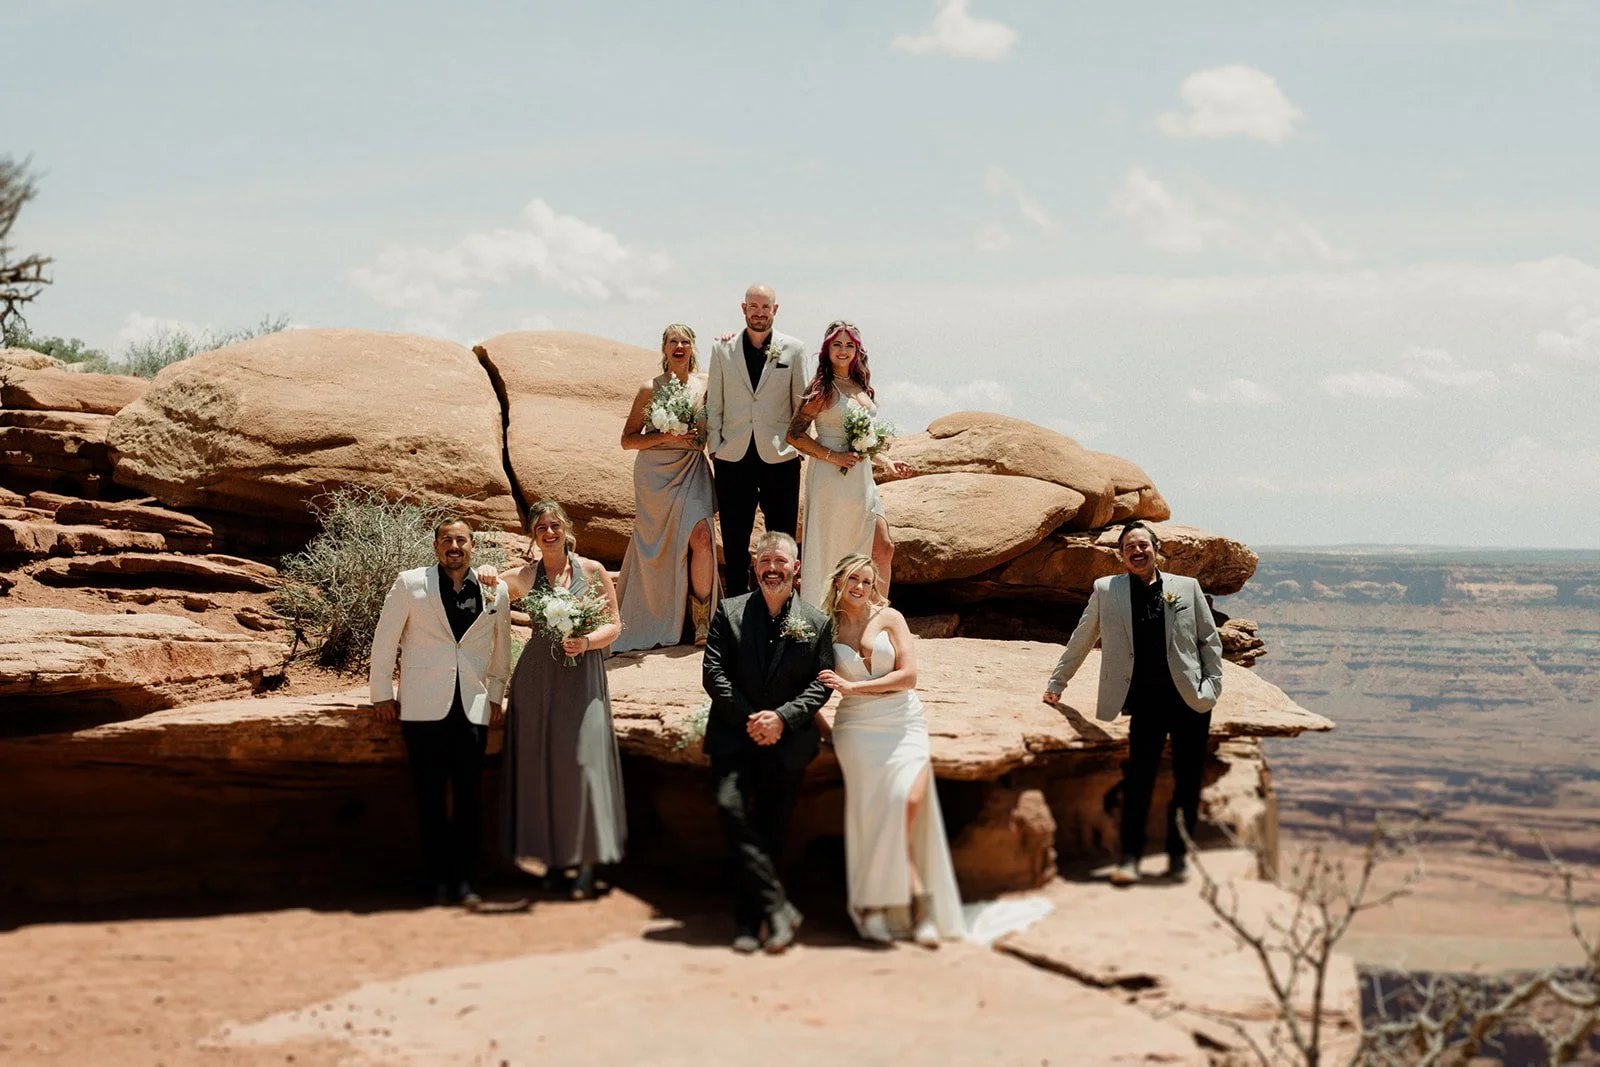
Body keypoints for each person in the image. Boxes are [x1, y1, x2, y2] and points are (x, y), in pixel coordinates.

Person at [1041, 522, 1223, 886]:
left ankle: (1177, 855)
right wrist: (1057, 682)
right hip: (1145, 702)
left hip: (1189, 700)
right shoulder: (1107, 590)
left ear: (1157, 549)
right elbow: (1082, 638)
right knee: (1140, 780)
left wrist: (1211, 686)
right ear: (1121, 555)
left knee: (1188, 783)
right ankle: (1130, 858)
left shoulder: (1186, 588)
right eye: (1129, 548)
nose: (1137, 552)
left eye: (1143, 545)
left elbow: (1209, 640)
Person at [817, 554, 963, 946]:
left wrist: (853, 689)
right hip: (856, 731)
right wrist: (826, 731)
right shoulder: (822, 628)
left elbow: (909, 676)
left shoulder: (891, 618)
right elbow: (803, 688)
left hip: (902, 722)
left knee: (906, 802)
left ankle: (887, 903)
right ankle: (904, 909)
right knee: (876, 818)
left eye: (867, 580)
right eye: (853, 579)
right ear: (838, 582)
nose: (860, 587)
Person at [701, 531, 834, 953]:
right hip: (732, 736)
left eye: (780, 561)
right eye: (764, 561)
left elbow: (822, 684)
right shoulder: (728, 611)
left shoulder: (817, 622)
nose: (771, 568)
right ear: (754, 567)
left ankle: (751, 923)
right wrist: (751, 718)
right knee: (730, 809)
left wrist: (782, 718)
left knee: (772, 831)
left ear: (795, 569)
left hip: (788, 741)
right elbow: (713, 674)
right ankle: (777, 907)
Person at [370, 517, 512, 908]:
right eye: (447, 540)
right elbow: (385, 640)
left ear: (473, 546)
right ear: (435, 547)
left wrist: (496, 694)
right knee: (430, 798)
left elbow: (502, 648)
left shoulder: (494, 591)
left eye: (461, 540)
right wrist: (382, 693)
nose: (454, 546)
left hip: (472, 706)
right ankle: (438, 882)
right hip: (422, 707)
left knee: (469, 799)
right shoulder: (410, 583)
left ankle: (465, 881)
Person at [494, 500, 626, 900]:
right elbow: (488, 585)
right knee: (543, 765)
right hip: (537, 679)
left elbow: (616, 626)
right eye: (540, 528)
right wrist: (484, 571)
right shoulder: (523, 575)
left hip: (582, 676)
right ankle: (552, 859)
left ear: (566, 529)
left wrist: (586, 642)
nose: (548, 533)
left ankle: (586, 862)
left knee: (584, 763)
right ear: (533, 536)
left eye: (554, 525)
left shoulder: (592, 571)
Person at [785, 319, 909, 607]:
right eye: (837, 345)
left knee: (884, 548)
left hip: (862, 477)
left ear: (857, 350)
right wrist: (833, 456)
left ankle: (876, 615)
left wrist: (887, 461)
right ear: (827, 349)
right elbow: (794, 434)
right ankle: (826, 613)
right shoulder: (821, 388)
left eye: (849, 345)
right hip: (831, 477)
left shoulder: (860, 385)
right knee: (834, 548)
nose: (843, 350)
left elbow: (863, 438)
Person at [613, 323, 720, 652]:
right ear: (664, 348)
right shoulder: (650, 388)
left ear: (692, 348)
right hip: (655, 476)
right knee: (658, 551)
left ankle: (703, 623)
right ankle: (656, 619)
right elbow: (627, 440)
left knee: (701, 536)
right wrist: (665, 436)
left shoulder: (706, 385)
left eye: (685, 341)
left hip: (692, 467)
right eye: (673, 341)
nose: (679, 346)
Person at [705, 284, 810, 598]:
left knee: (782, 539)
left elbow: (801, 404)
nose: (760, 312)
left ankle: (781, 607)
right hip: (733, 458)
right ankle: (737, 608)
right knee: (735, 541)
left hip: (780, 458)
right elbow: (714, 405)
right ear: (744, 308)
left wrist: (798, 447)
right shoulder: (722, 349)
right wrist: (715, 447)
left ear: (775, 310)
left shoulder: (794, 349)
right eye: (754, 306)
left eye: (766, 307)